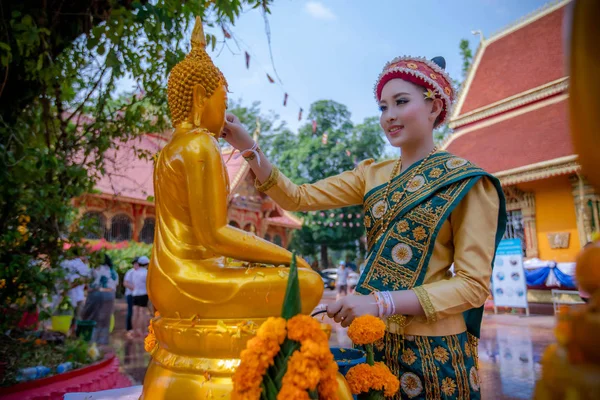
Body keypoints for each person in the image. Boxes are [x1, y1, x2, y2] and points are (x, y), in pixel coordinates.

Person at [222, 56, 507, 399]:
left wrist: (379, 302)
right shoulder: (372, 174)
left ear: (434, 107)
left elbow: (473, 287)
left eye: (401, 102)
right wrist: (248, 148)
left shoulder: (467, 183)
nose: (389, 116)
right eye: (383, 106)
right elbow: (297, 196)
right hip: (376, 342)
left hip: (436, 351)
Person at [81, 254, 118, 345]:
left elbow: (87, 284)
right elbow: (115, 284)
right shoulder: (112, 271)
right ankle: (103, 342)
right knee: (105, 319)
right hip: (109, 295)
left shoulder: (94, 270)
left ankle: (90, 341)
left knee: (90, 317)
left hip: (95, 293)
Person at [131, 255, 149, 338]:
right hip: (143, 294)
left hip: (135, 294)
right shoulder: (146, 273)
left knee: (135, 313)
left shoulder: (135, 272)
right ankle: (143, 331)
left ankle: (135, 331)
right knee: (142, 313)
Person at [123, 257, 139, 334]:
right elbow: (125, 283)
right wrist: (133, 288)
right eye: (135, 264)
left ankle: (137, 327)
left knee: (139, 311)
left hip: (139, 295)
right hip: (130, 294)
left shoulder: (141, 272)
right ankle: (129, 328)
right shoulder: (130, 272)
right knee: (131, 311)